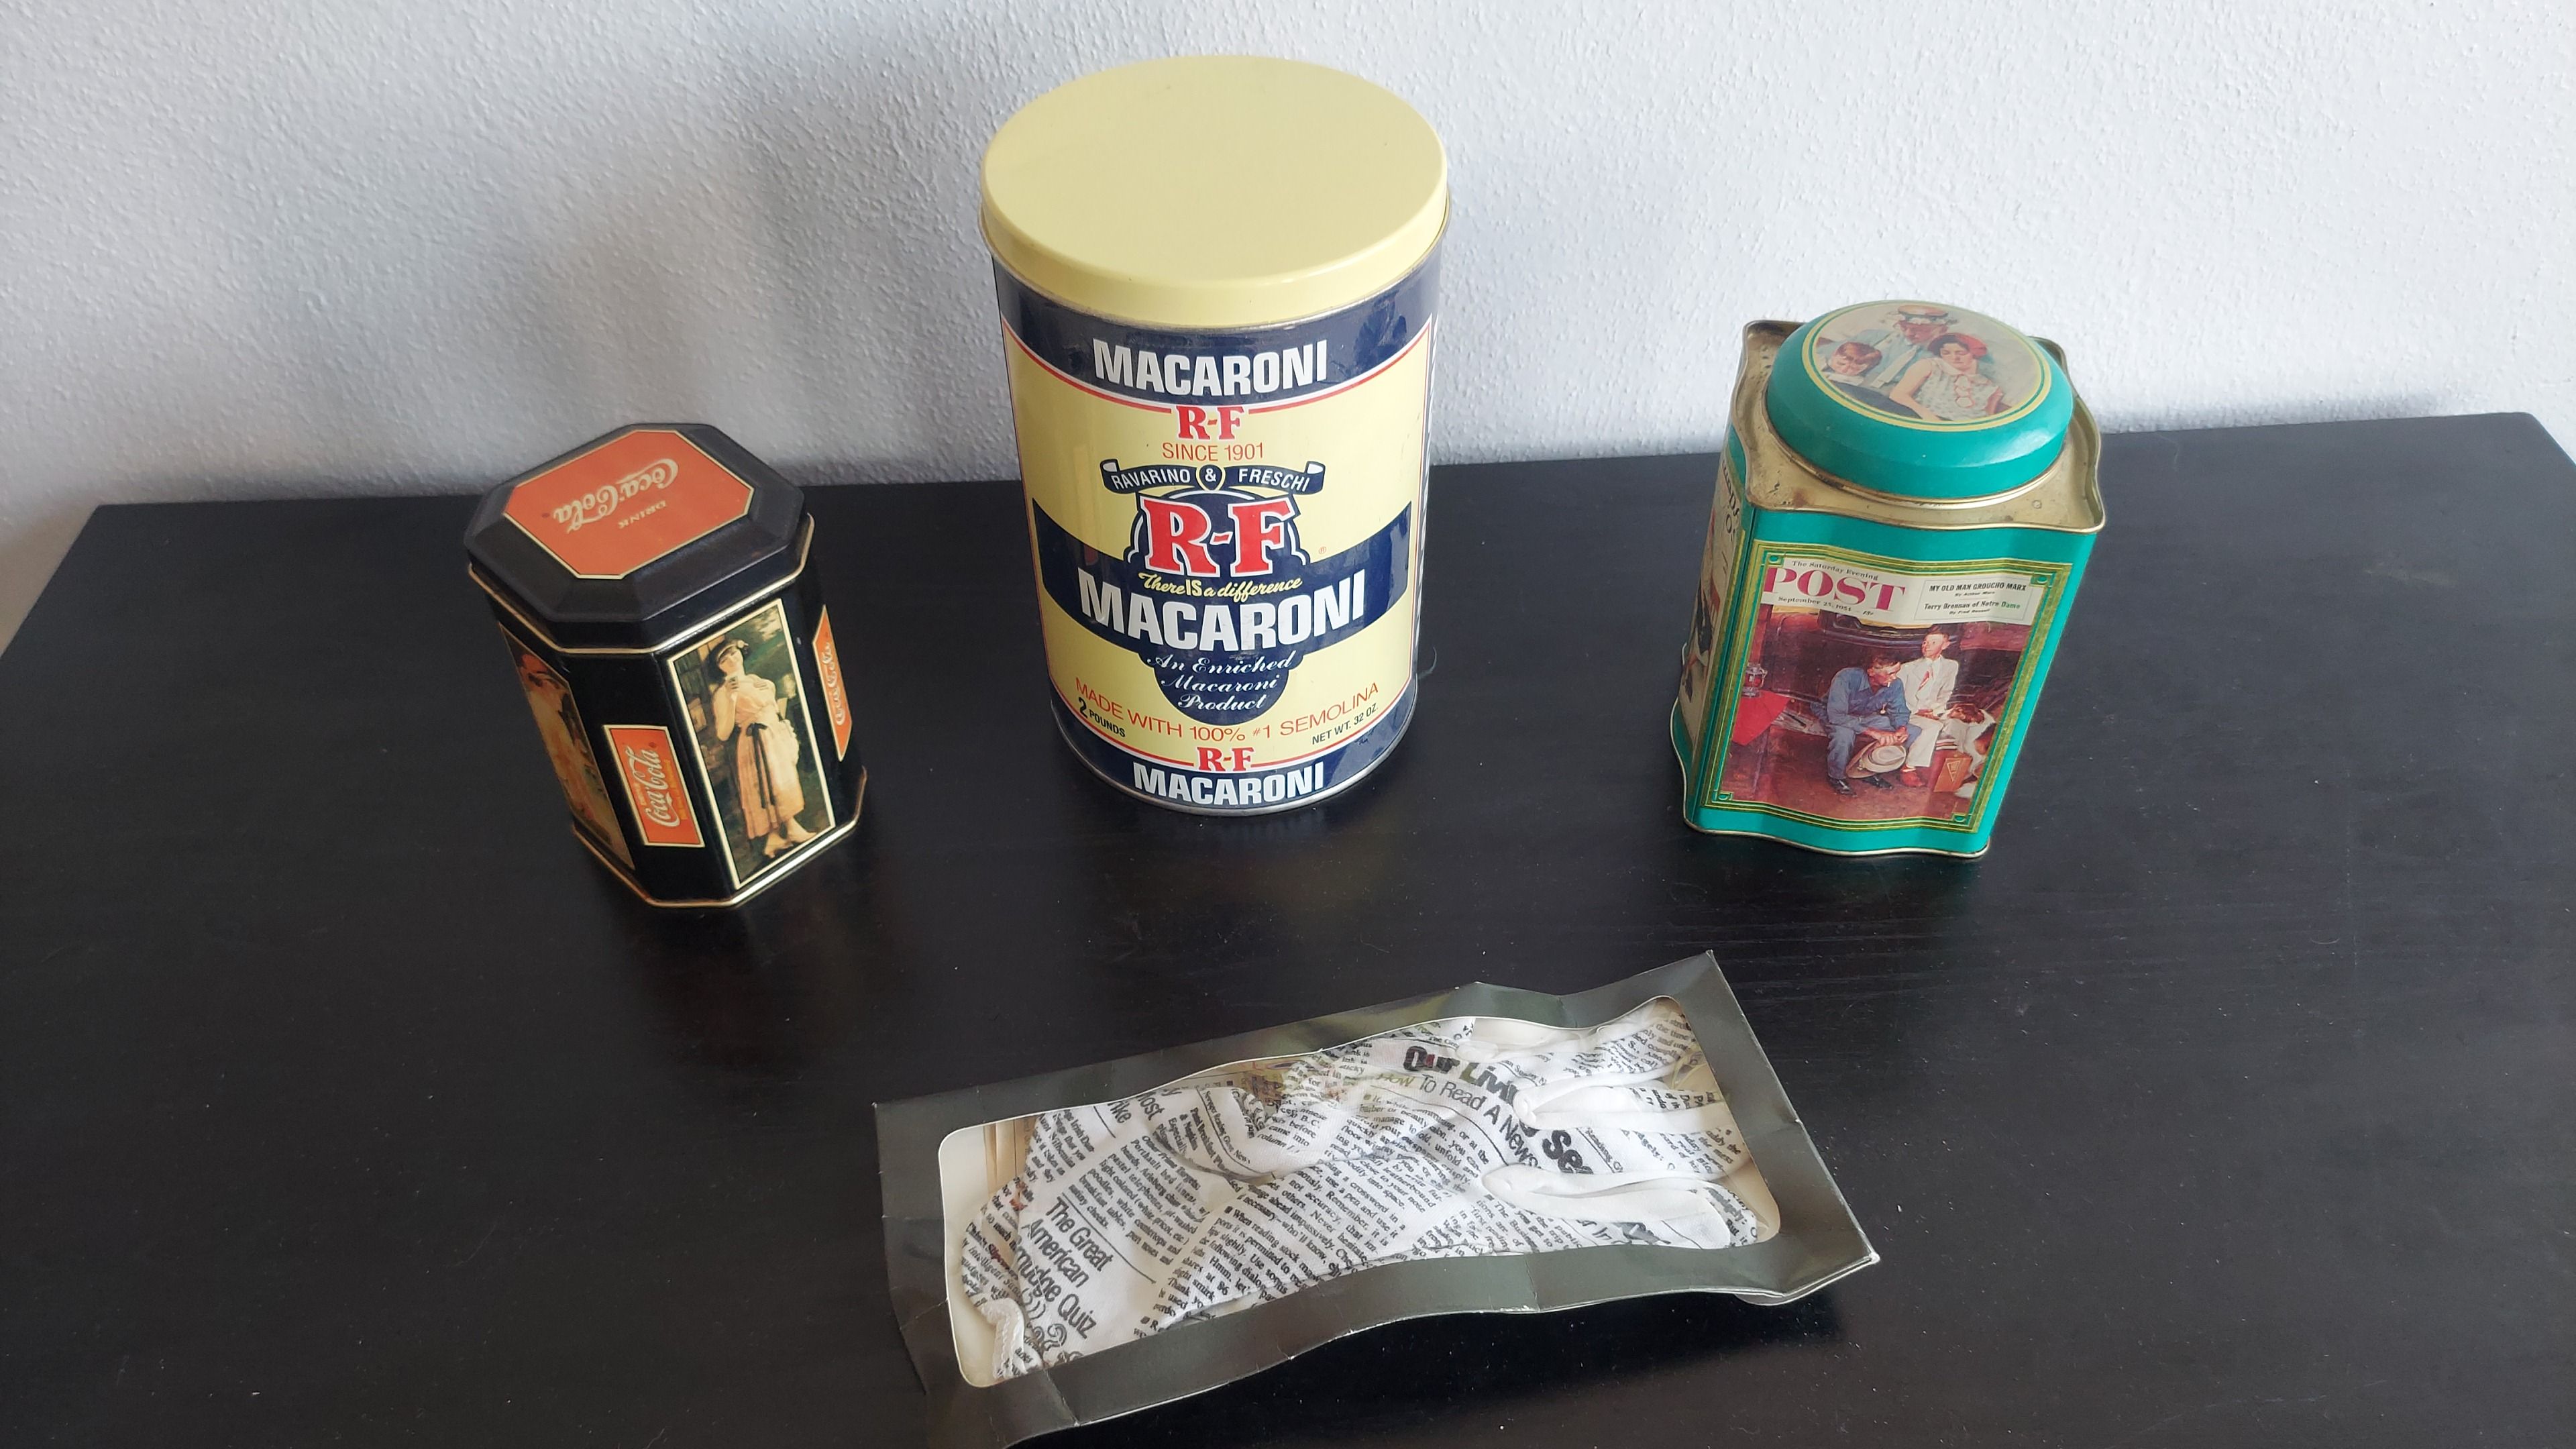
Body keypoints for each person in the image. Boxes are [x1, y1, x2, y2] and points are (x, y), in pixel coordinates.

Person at [707, 638, 816, 859]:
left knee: (782, 781)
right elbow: (723, 733)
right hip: (755, 741)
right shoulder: (722, 693)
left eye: (733, 653)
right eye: (724, 660)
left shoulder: (755, 680)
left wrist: (771, 689)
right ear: (719, 668)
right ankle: (787, 831)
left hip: (773, 735)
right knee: (767, 786)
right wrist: (731, 697)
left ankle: (777, 837)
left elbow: (772, 707)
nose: (731, 660)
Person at [1822, 655, 1915, 796]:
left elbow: (1900, 711)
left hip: (1865, 717)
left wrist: (1901, 728)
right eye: (1890, 673)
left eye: (1897, 672)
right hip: (1836, 715)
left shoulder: (1895, 684)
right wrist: (1874, 732)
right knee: (1844, 736)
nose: (1895, 677)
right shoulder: (1846, 677)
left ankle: (1868, 770)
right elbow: (1837, 715)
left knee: (1913, 731)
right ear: (1871, 672)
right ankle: (1836, 777)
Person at [1894, 630, 1962, 786]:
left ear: (1945, 645)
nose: (1926, 646)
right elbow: (1896, 697)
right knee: (1933, 727)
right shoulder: (1907, 668)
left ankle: (1948, 773)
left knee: (1956, 725)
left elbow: (1946, 692)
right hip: (1908, 712)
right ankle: (1908, 768)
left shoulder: (1951, 666)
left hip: (1932, 711)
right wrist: (1918, 712)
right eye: (1925, 642)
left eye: (1933, 643)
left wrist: (1936, 711)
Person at [1890, 334, 2008, 421]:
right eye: (1946, 353)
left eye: (1961, 353)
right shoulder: (1930, 366)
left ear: (1974, 354)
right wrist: (1927, 416)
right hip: (1921, 420)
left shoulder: (1991, 387)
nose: (1954, 358)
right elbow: (1898, 394)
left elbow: (1987, 419)